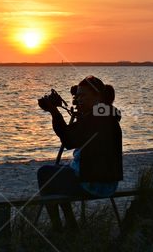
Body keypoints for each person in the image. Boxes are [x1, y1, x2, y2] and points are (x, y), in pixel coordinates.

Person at [36, 75, 123, 229]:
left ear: (97, 96)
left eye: (83, 95)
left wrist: (54, 111)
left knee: (44, 173)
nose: (79, 99)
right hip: (109, 183)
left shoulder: (94, 118)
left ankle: (60, 228)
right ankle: (70, 225)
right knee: (58, 171)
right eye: (78, 95)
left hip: (93, 185)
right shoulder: (107, 114)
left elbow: (69, 141)